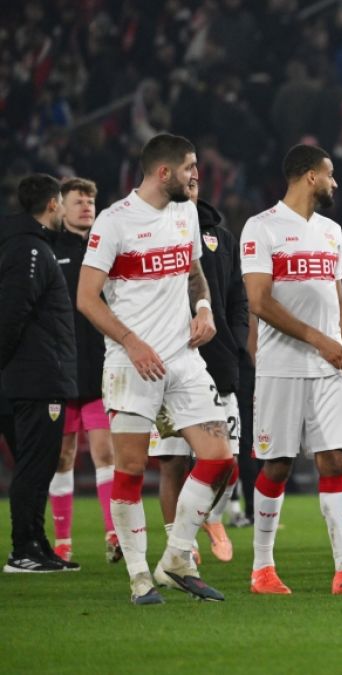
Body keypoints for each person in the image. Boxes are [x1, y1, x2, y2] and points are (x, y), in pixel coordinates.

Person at [77, 134, 232, 604]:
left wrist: (203, 306)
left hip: (183, 357)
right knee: (130, 468)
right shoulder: (115, 221)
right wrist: (130, 341)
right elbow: (86, 297)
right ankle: (140, 576)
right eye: (189, 167)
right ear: (163, 172)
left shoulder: (186, 211)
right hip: (131, 363)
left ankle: (177, 558)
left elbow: (192, 269)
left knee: (219, 458)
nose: (196, 175)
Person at [240, 144, 342, 596]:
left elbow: (338, 301)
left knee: (334, 459)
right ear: (309, 177)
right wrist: (319, 340)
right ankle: (262, 569)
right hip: (282, 365)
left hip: (331, 367)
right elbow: (259, 302)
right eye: (330, 174)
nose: (335, 182)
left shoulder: (331, 232)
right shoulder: (261, 228)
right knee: (278, 464)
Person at [150, 181, 248, 564]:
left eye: (194, 180)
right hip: (170, 363)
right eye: (182, 178)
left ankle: (209, 516)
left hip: (219, 360)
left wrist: (236, 339)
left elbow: (238, 295)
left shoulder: (220, 236)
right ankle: (181, 545)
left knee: (228, 462)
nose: (189, 186)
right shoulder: (150, 234)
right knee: (173, 460)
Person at [0, 174, 80, 573]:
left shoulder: (31, 246)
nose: (66, 210)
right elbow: (14, 312)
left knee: (41, 464)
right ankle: (23, 550)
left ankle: (37, 543)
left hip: (38, 375)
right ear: (52, 205)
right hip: (34, 378)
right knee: (34, 465)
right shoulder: (30, 249)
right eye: (63, 203)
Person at [46, 177, 121, 564]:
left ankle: (113, 534)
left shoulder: (106, 248)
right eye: (78, 201)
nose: (86, 207)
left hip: (99, 369)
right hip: (60, 370)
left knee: (106, 451)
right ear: (61, 206)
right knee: (62, 455)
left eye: (91, 200)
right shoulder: (49, 250)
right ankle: (63, 542)